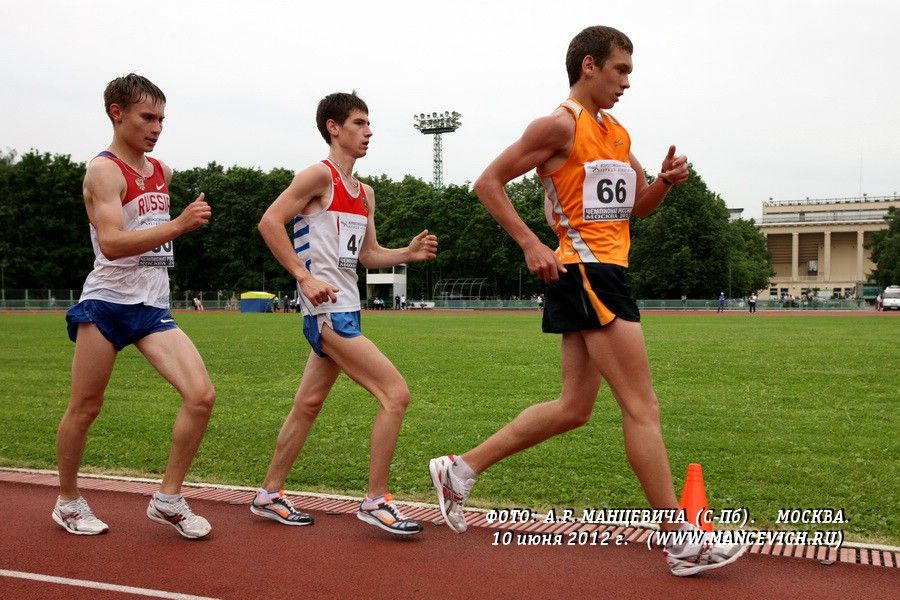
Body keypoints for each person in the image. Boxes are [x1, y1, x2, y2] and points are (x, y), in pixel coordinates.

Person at [428, 26, 745, 576]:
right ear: (590, 65)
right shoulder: (559, 125)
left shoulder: (616, 133)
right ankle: (681, 539)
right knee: (641, 407)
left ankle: (460, 469)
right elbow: (488, 183)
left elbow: (638, 206)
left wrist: (665, 182)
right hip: (587, 273)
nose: (627, 82)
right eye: (621, 70)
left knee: (574, 408)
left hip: (602, 273)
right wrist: (530, 244)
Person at [253, 91, 438, 535]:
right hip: (326, 313)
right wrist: (303, 277)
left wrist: (407, 253)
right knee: (395, 394)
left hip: (349, 308)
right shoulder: (319, 176)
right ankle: (376, 501)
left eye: (369, 123)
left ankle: (269, 494)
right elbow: (269, 222)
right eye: (359, 123)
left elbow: (368, 254)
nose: (369, 131)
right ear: (333, 128)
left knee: (307, 404)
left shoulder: (365, 193)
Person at [55, 74, 215, 539]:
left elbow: (147, 235)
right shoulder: (103, 171)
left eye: (162, 118)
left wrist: (174, 228)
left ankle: (168, 499)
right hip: (106, 304)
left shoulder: (161, 170)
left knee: (201, 396)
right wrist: (179, 225)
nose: (157, 127)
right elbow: (111, 242)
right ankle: (67, 501)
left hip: (151, 305)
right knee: (86, 407)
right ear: (117, 113)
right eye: (147, 117)